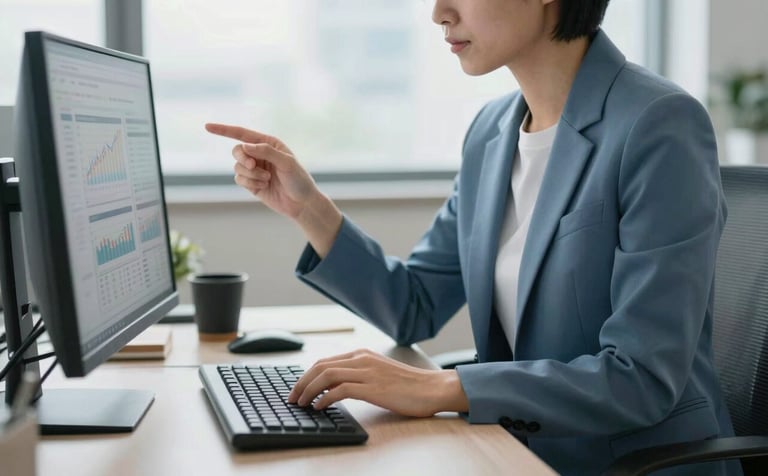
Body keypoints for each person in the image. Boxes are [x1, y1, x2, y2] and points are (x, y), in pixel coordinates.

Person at [206, 1, 739, 474]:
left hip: (628, 464)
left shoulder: (657, 123)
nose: (439, 11)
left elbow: (640, 377)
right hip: (512, 453)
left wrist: (444, 387)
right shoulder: (491, 131)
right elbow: (413, 307)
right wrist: (310, 211)